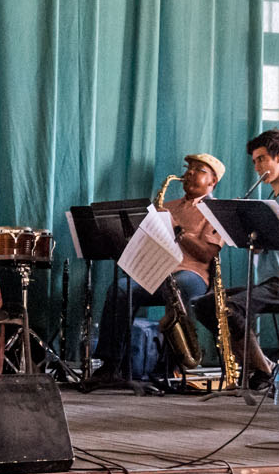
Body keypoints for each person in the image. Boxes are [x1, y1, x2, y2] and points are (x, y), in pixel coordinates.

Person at [192, 128, 279, 381]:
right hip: (269, 282)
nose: (256, 167)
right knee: (204, 304)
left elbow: (269, 242)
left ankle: (262, 371)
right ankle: (260, 363)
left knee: (231, 308)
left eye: (261, 159)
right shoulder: (274, 196)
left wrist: (245, 221)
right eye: (255, 161)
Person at [96, 152, 225, 380]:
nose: (190, 173)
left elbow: (207, 254)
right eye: (189, 169)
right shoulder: (169, 205)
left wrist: (176, 229)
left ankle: (172, 365)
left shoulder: (217, 211)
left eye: (199, 170)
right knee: (120, 288)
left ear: (213, 181)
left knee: (180, 287)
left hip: (192, 274)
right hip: (158, 271)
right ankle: (111, 363)